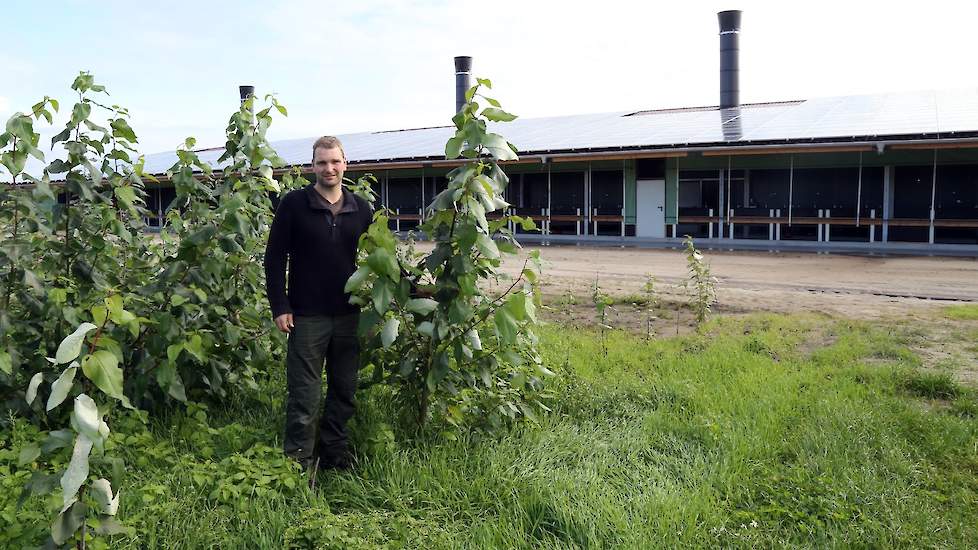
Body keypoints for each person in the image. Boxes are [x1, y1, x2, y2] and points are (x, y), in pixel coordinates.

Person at [264, 136, 372, 474]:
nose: (329, 168)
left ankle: (335, 454)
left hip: (348, 315)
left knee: (344, 389)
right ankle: (298, 464)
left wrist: (414, 291)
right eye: (322, 162)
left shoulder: (361, 209)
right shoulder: (294, 205)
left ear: (345, 163)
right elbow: (274, 257)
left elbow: (383, 258)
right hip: (306, 315)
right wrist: (280, 305)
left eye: (335, 161)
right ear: (313, 166)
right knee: (305, 394)